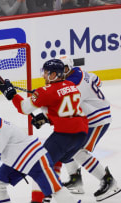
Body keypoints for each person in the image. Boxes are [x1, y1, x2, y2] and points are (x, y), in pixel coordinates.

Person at [0, 59, 89, 202]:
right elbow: (63, 108)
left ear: (53, 74)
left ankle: (38, 200)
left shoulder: (46, 91)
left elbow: (24, 108)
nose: (43, 76)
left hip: (64, 136)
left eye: (45, 73)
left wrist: (11, 94)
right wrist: (47, 118)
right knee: (54, 162)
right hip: (81, 135)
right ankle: (47, 195)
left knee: (38, 164)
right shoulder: (71, 85)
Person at [58, 55, 120, 201]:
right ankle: (75, 180)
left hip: (97, 120)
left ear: (69, 69)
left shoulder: (72, 85)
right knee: (65, 144)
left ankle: (109, 182)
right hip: (88, 117)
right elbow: (98, 80)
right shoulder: (79, 71)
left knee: (79, 152)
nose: (60, 72)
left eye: (63, 69)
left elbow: (64, 105)